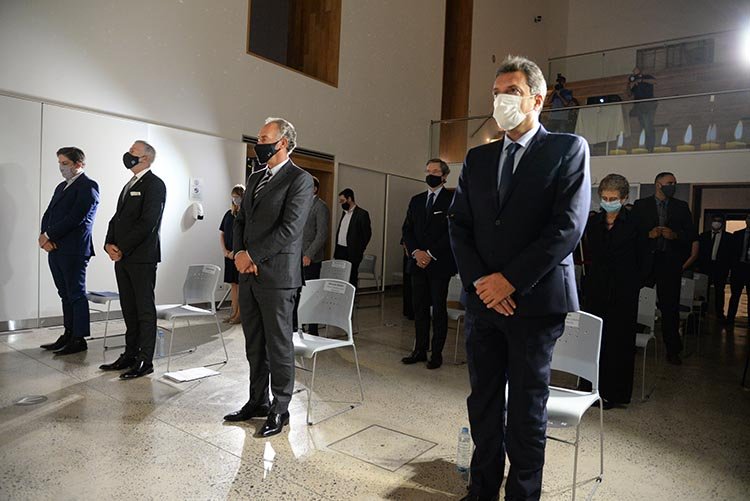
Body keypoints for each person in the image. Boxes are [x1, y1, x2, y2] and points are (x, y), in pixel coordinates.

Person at [448, 55, 590, 501]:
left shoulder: (567, 149)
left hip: (535, 302)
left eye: (511, 91)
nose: (501, 100)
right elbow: (459, 225)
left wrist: (508, 281)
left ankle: (523, 495)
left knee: (527, 409)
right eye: (496, 93)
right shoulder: (479, 157)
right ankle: (482, 489)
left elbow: (567, 227)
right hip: (483, 303)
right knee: (483, 403)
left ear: (537, 99)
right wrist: (482, 283)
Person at [223, 117, 314, 438]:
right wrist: (239, 253)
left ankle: (281, 408)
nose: (258, 143)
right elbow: (241, 220)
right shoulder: (255, 177)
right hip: (249, 273)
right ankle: (257, 400)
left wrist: (253, 255)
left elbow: (290, 229)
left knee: (278, 345)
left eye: (264, 138)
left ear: (283, 142)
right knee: (254, 343)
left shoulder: (300, 180)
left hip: (277, 277)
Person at [100, 140, 166, 379]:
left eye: (133, 152)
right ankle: (130, 354)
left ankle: (145, 360)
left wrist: (123, 248)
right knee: (129, 308)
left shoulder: (155, 185)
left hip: (141, 258)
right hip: (123, 257)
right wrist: (108, 244)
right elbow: (116, 218)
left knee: (144, 310)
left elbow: (148, 223)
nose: (128, 154)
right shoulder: (130, 184)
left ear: (145, 158)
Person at [581, 174, 641, 409]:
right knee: (593, 341)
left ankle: (614, 394)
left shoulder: (635, 222)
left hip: (623, 292)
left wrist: (633, 284)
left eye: (613, 198)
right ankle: (589, 389)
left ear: (624, 198)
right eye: (604, 198)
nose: (608, 202)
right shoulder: (594, 223)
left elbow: (644, 258)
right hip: (597, 289)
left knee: (619, 343)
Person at [631, 172, 697, 365]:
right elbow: (631, 234)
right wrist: (648, 235)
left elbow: (691, 235)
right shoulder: (641, 205)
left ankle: (673, 350)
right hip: (646, 263)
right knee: (637, 302)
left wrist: (675, 235)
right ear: (658, 185)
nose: (673, 186)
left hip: (669, 264)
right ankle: (632, 341)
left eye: (674, 183)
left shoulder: (681, 207)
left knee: (670, 307)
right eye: (670, 183)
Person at [39, 147, 100, 355]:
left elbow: (76, 218)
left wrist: (49, 235)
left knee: (76, 294)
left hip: (74, 249)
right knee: (64, 293)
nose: (61, 167)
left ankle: (79, 338)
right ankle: (68, 333)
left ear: (78, 164)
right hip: (56, 248)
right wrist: (44, 236)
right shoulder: (61, 187)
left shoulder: (88, 186)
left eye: (65, 163)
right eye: (59, 162)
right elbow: (49, 213)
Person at [401, 158, 457, 369]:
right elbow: (407, 229)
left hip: (439, 264)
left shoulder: (453, 199)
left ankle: (437, 353)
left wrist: (430, 254)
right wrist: (417, 253)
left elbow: (452, 231)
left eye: (435, 171)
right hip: (417, 263)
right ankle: (420, 349)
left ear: (444, 176)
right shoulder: (416, 200)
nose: (430, 175)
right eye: (428, 171)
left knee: (438, 310)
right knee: (419, 308)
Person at [294, 176, 330, 335]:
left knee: (311, 295)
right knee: (296, 294)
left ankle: (313, 330)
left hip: (311, 260)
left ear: (314, 189)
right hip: (297, 257)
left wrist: (309, 254)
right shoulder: (302, 204)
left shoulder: (321, 207)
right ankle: (297, 327)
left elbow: (322, 235)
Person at [697, 214, 733, 321]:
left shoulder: (728, 237)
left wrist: (728, 269)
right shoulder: (704, 236)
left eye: (719, 221)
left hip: (720, 268)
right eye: (715, 220)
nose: (716, 223)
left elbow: (730, 255)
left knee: (719, 291)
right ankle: (702, 312)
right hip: (705, 267)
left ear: (722, 223)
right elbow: (700, 252)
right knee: (703, 290)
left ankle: (719, 314)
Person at [334, 188, 372, 286]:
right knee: (340, 277)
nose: (341, 203)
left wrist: (359, 250)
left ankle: (352, 295)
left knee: (351, 277)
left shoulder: (362, 214)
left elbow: (367, 234)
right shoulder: (344, 213)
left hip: (352, 252)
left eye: (342, 200)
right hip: (340, 250)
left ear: (349, 199)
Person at [220, 184, 245, 324]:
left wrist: (236, 252)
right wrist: (225, 251)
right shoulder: (228, 214)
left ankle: (240, 314)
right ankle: (234, 312)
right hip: (228, 254)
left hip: (239, 254)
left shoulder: (246, 214)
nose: (235, 199)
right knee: (233, 285)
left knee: (240, 285)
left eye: (237, 197)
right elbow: (222, 233)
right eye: (233, 197)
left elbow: (246, 237)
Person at [627, 66, 657, 152]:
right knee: (643, 126)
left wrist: (642, 80)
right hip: (638, 106)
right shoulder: (633, 80)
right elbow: (629, 94)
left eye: (635, 70)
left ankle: (650, 147)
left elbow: (654, 81)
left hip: (648, 104)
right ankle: (645, 146)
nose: (634, 72)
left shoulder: (646, 77)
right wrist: (630, 84)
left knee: (648, 126)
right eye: (633, 71)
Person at [727, 215, 750, 325]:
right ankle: (730, 319)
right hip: (738, 268)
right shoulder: (737, 234)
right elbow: (731, 252)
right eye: (748, 218)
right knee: (735, 295)